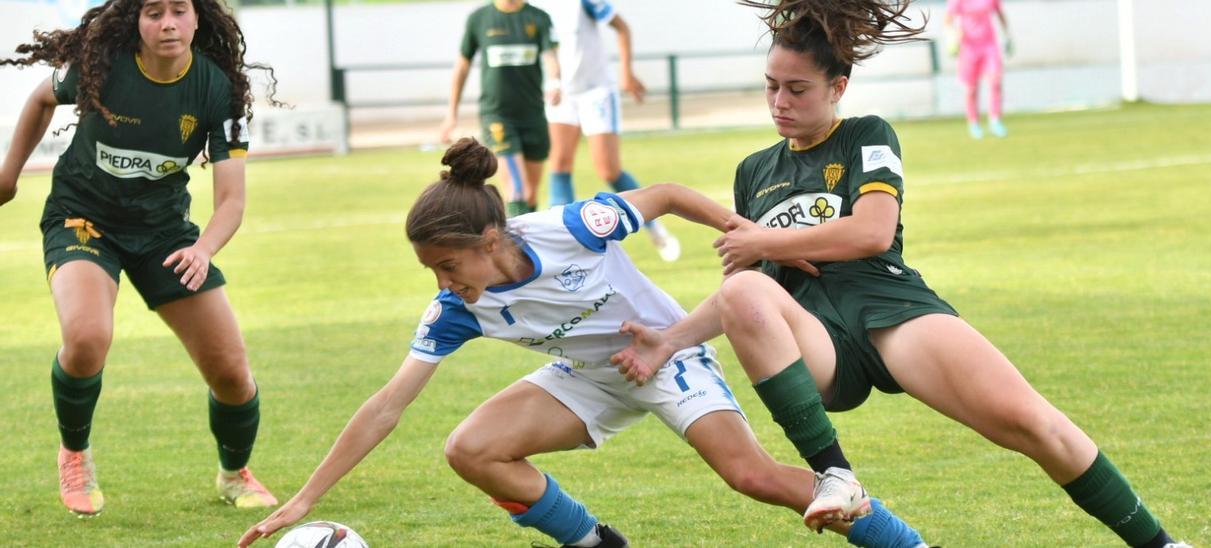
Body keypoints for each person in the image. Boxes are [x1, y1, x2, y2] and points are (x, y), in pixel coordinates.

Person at [612, 1, 1189, 546]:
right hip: (817, 338)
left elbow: (872, 232)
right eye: (771, 86)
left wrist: (769, 239)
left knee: (1032, 423)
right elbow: (749, 295)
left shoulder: (867, 135)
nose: (779, 102)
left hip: (888, 307)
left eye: (797, 89)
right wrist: (670, 339)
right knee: (741, 288)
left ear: (838, 87)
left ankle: (1161, 543)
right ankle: (835, 475)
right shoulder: (755, 170)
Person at [237, 138, 930, 548]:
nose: (443, 284)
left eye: (447, 266)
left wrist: (748, 234)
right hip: (589, 376)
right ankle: (596, 544)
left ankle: (901, 540)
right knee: (471, 450)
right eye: (432, 273)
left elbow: (660, 194)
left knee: (752, 478)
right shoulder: (457, 309)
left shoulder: (568, 227)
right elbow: (388, 405)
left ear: (490, 241)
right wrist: (304, 498)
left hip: (669, 354)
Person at [0, 0, 279, 517]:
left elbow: (232, 202)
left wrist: (203, 249)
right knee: (86, 338)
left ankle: (234, 473)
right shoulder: (102, 64)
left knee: (233, 375)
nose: (167, 23)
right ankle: (75, 454)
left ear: (199, 18)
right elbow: (41, 100)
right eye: (153, 12)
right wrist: (8, 175)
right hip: (82, 219)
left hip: (165, 234)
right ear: (136, 21)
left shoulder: (220, 91)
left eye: (179, 10)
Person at [541, 0, 681, 262]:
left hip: (596, 91)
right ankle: (563, 245)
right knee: (559, 164)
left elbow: (622, 28)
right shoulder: (534, 6)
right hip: (561, 92)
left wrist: (626, 72)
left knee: (608, 169)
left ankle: (654, 226)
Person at [439, 0, 561, 216]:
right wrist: (451, 114)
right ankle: (513, 248)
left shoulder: (539, 17)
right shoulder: (479, 18)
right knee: (517, 190)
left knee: (530, 194)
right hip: (497, 116)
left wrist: (555, 83)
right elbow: (462, 66)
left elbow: (551, 57)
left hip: (533, 116)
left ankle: (524, 243)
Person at [944, 0, 1011, 139]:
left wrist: (1007, 36)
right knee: (971, 88)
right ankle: (974, 123)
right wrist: (951, 38)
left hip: (989, 45)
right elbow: (948, 20)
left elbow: (1000, 14)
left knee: (995, 81)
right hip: (968, 47)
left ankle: (995, 120)